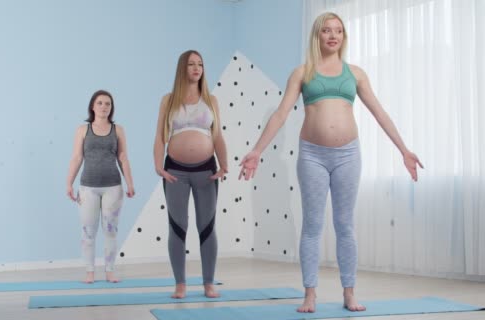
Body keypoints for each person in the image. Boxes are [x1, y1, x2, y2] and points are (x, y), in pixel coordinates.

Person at [239, 12, 423, 313]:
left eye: (338, 31)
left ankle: (349, 293)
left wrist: (403, 149)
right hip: (312, 154)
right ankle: (309, 294)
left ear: (343, 37)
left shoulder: (357, 74)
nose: (333, 35)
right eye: (326, 30)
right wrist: (257, 150)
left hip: (348, 154)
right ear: (317, 36)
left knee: (345, 224)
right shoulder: (302, 72)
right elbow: (281, 114)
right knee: (312, 225)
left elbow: (379, 112)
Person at [153, 50, 228, 299]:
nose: (196, 68)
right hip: (175, 171)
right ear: (181, 68)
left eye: (200, 64)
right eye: (191, 64)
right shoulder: (168, 100)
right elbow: (160, 137)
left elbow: (217, 136)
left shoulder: (211, 100)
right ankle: (180, 283)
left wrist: (224, 165)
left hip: (206, 171)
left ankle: (208, 282)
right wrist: (158, 165)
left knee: (207, 226)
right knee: (178, 226)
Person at [66, 89, 135, 284]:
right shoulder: (82, 130)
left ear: (111, 108)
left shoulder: (118, 130)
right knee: (88, 231)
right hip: (88, 187)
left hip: (113, 187)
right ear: (93, 106)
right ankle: (90, 272)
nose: (104, 106)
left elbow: (123, 157)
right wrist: (68, 183)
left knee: (110, 231)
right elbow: (77, 158)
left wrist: (130, 183)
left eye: (108, 104)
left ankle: (110, 271)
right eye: (100, 103)